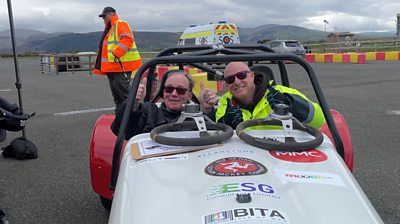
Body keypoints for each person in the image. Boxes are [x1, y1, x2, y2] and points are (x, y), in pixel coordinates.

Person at [200, 61, 325, 129]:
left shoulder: (282, 92)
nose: (237, 81)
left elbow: (318, 120)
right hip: (246, 157)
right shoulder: (225, 103)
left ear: (252, 75)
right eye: (230, 79)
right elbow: (217, 132)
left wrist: (291, 104)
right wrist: (226, 123)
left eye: (241, 75)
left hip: (283, 152)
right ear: (226, 85)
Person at [111, 70, 197, 140]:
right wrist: (133, 103)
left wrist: (208, 110)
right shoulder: (149, 112)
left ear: (189, 95)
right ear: (163, 92)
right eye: (169, 89)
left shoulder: (199, 117)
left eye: (180, 90)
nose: (174, 94)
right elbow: (119, 130)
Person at [93, 6, 142, 112]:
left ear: (111, 14)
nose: (103, 19)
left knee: (125, 93)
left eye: (104, 16)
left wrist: (117, 52)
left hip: (121, 65)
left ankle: (134, 114)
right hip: (111, 67)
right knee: (116, 94)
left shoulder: (120, 24)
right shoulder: (109, 28)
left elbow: (128, 39)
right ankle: (120, 115)